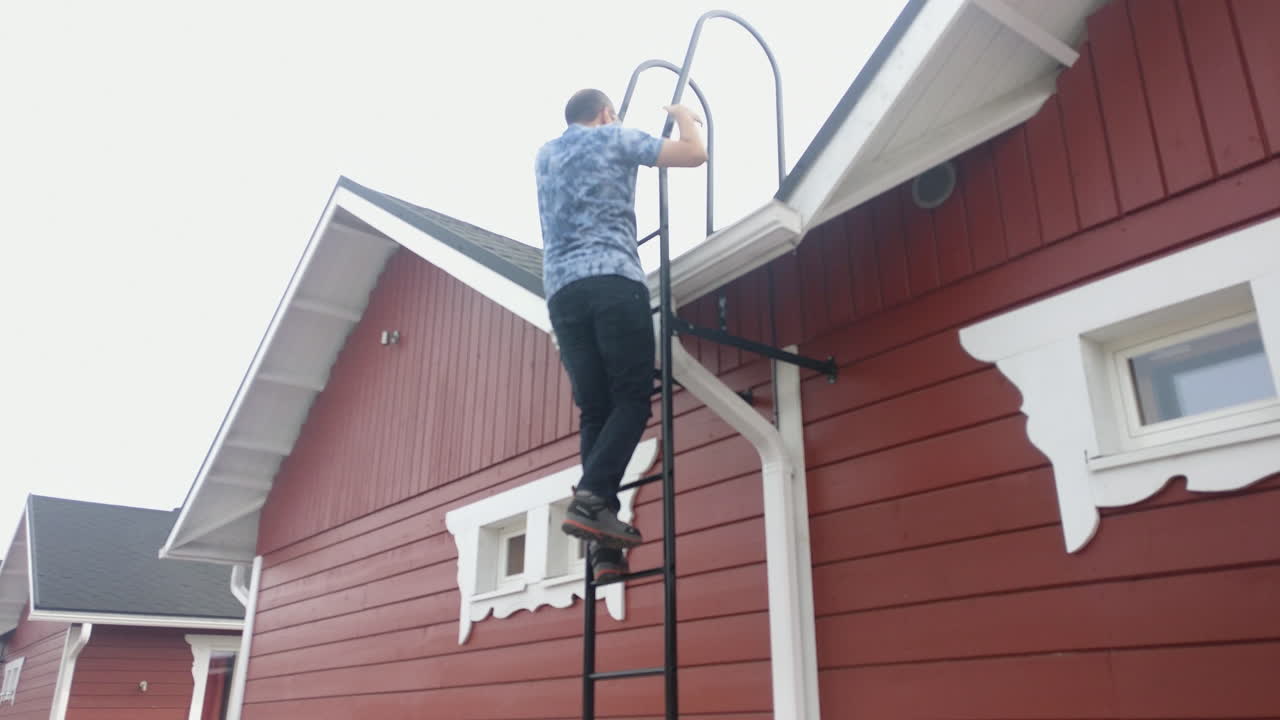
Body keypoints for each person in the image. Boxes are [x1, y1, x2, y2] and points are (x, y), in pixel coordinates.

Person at [535, 89, 707, 583]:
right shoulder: (614, 136)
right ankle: (591, 501)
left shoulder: (545, 156)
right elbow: (694, 155)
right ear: (607, 113)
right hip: (612, 279)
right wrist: (684, 118)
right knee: (632, 399)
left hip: (562, 294)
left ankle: (603, 547)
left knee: (596, 409)